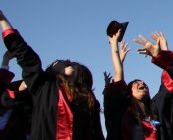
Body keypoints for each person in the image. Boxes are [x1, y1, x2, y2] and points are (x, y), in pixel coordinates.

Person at [0, 10, 104, 139]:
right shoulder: (45, 86)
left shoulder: (89, 101)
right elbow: (24, 54)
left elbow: (97, 135)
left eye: (68, 63)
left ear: (80, 75)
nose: (62, 63)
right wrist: (3, 20)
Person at [103, 27, 161, 139]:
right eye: (137, 83)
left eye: (144, 84)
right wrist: (114, 45)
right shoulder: (124, 109)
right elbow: (118, 74)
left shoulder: (154, 112)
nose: (142, 83)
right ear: (129, 91)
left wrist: (161, 53)